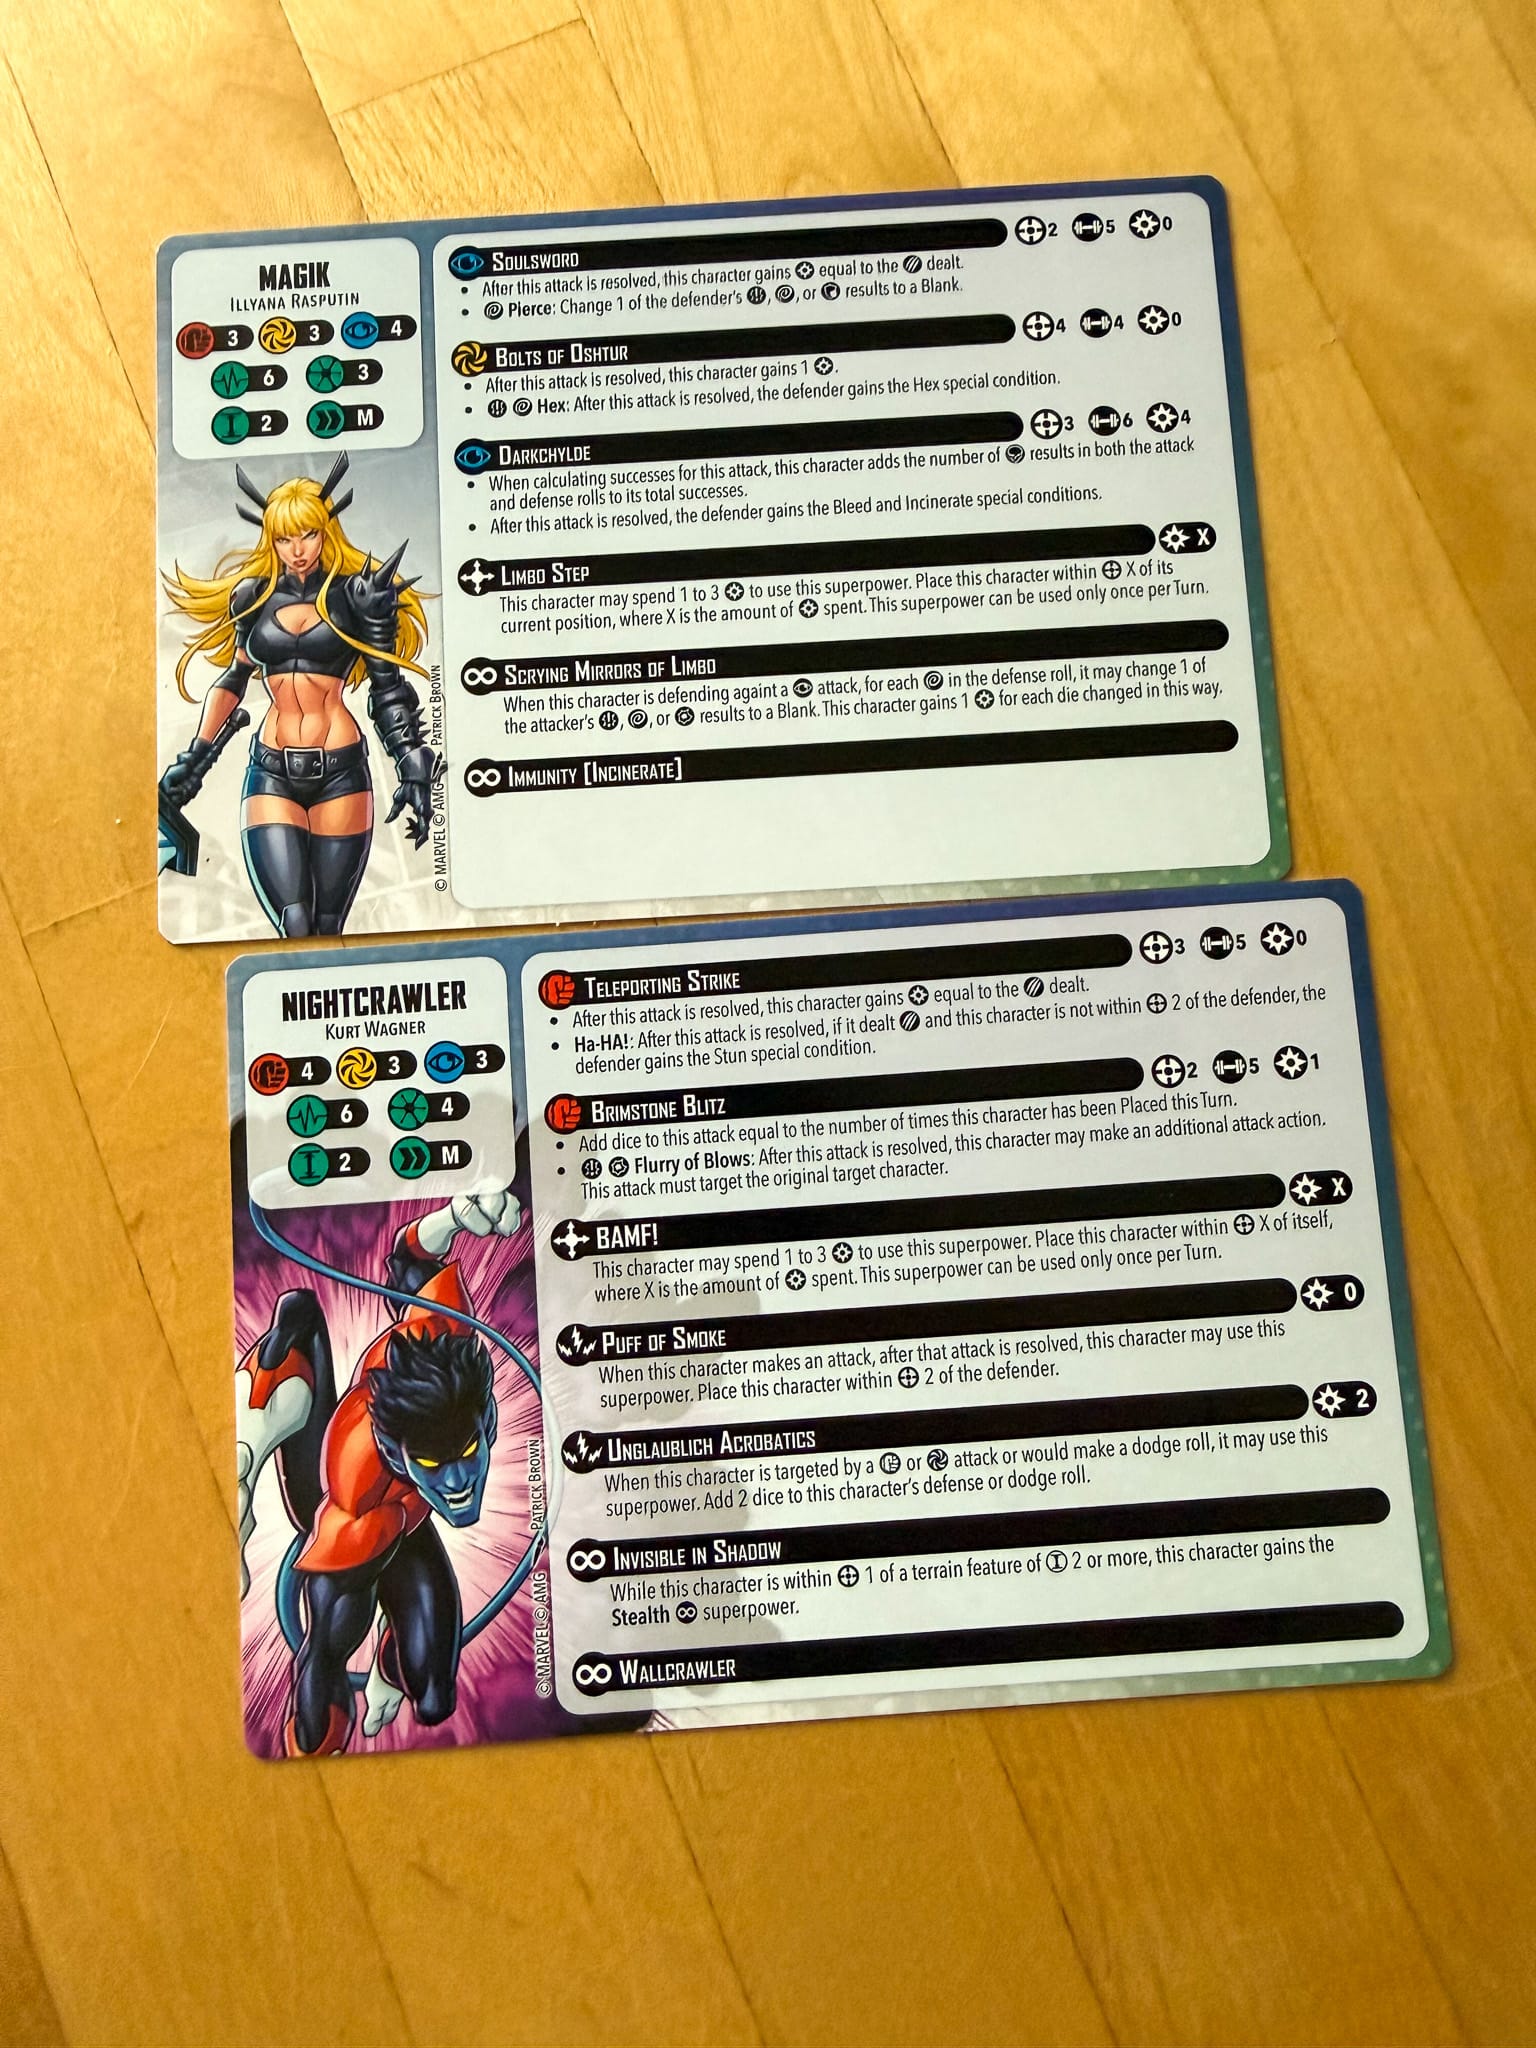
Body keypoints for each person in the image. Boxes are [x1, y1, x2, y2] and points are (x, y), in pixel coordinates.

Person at [160, 454, 437, 935]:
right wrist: (195, 757)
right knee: (295, 922)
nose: (297, 549)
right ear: (271, 539)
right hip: (271, 770)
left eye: (307, 534)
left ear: (326, 531)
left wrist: (410, 757)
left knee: (327, 926)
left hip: (340, 770)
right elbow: (234, 679)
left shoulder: (356, 596)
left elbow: (386, 685)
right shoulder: (253, 597)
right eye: (284, 538)